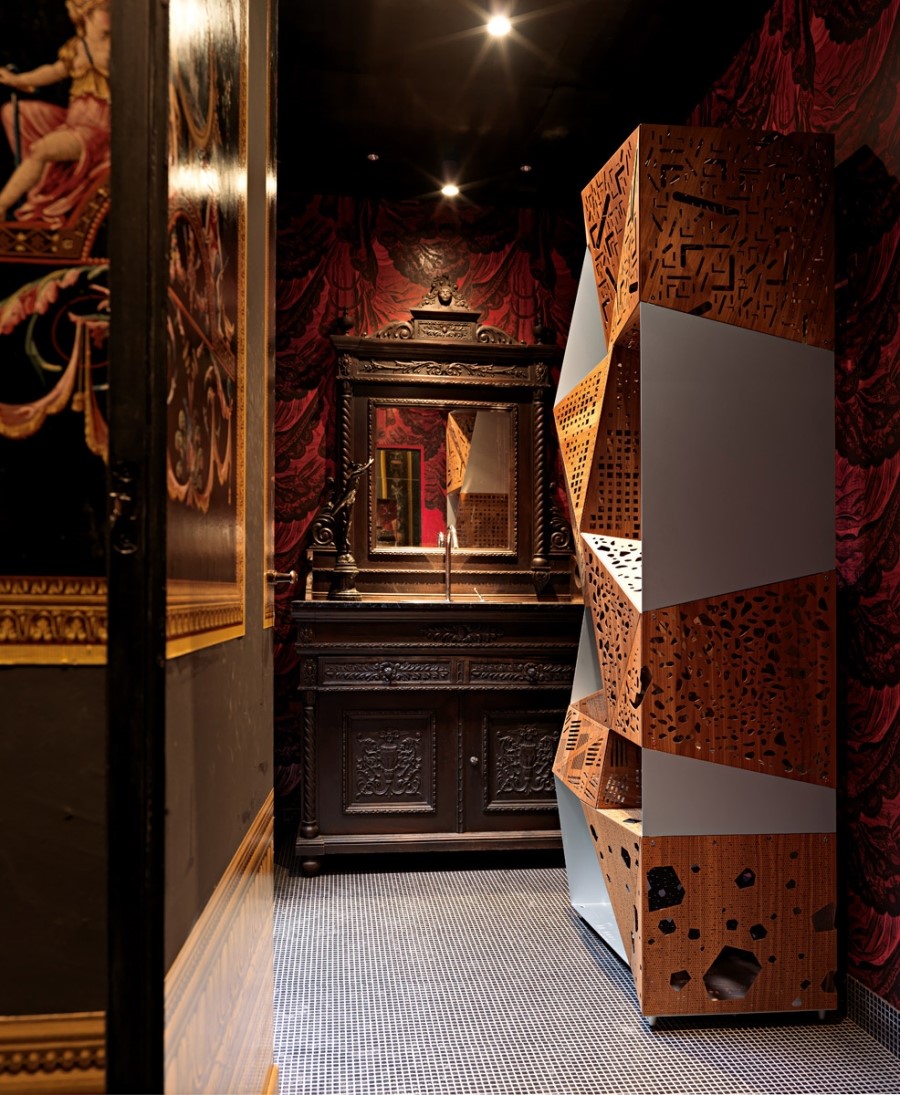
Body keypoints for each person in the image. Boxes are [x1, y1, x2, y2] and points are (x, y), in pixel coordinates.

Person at [0, 0, 110, 226]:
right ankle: (38, 177)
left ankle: (2, 205)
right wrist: (17, 80)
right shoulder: (77, 47)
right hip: (75, 120)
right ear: (86, 13)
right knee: (14, 112)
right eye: (107, 9)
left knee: (42, 149)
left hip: (99, 130)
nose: (114, 15)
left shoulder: (118, 48)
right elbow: (53, 72)